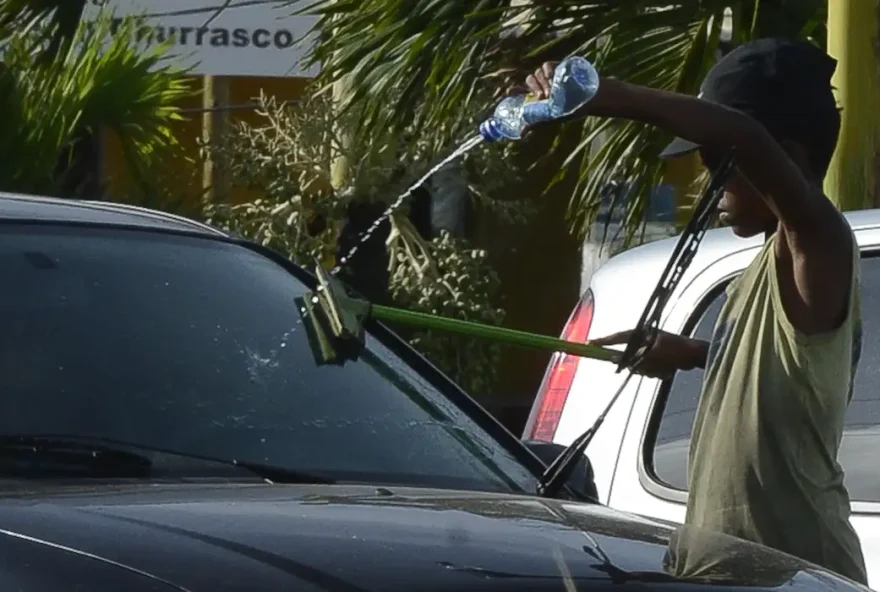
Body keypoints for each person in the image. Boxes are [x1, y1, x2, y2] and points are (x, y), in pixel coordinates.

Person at [525, 38, 867, 584]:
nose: (712, 186)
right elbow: (784, 375)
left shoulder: (818, 242)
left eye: (720, 165)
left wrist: (608, 96)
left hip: (795, 574)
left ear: (788, 159)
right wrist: (691, 353)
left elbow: (746, 137)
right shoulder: (763, 269)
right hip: (729, 572)